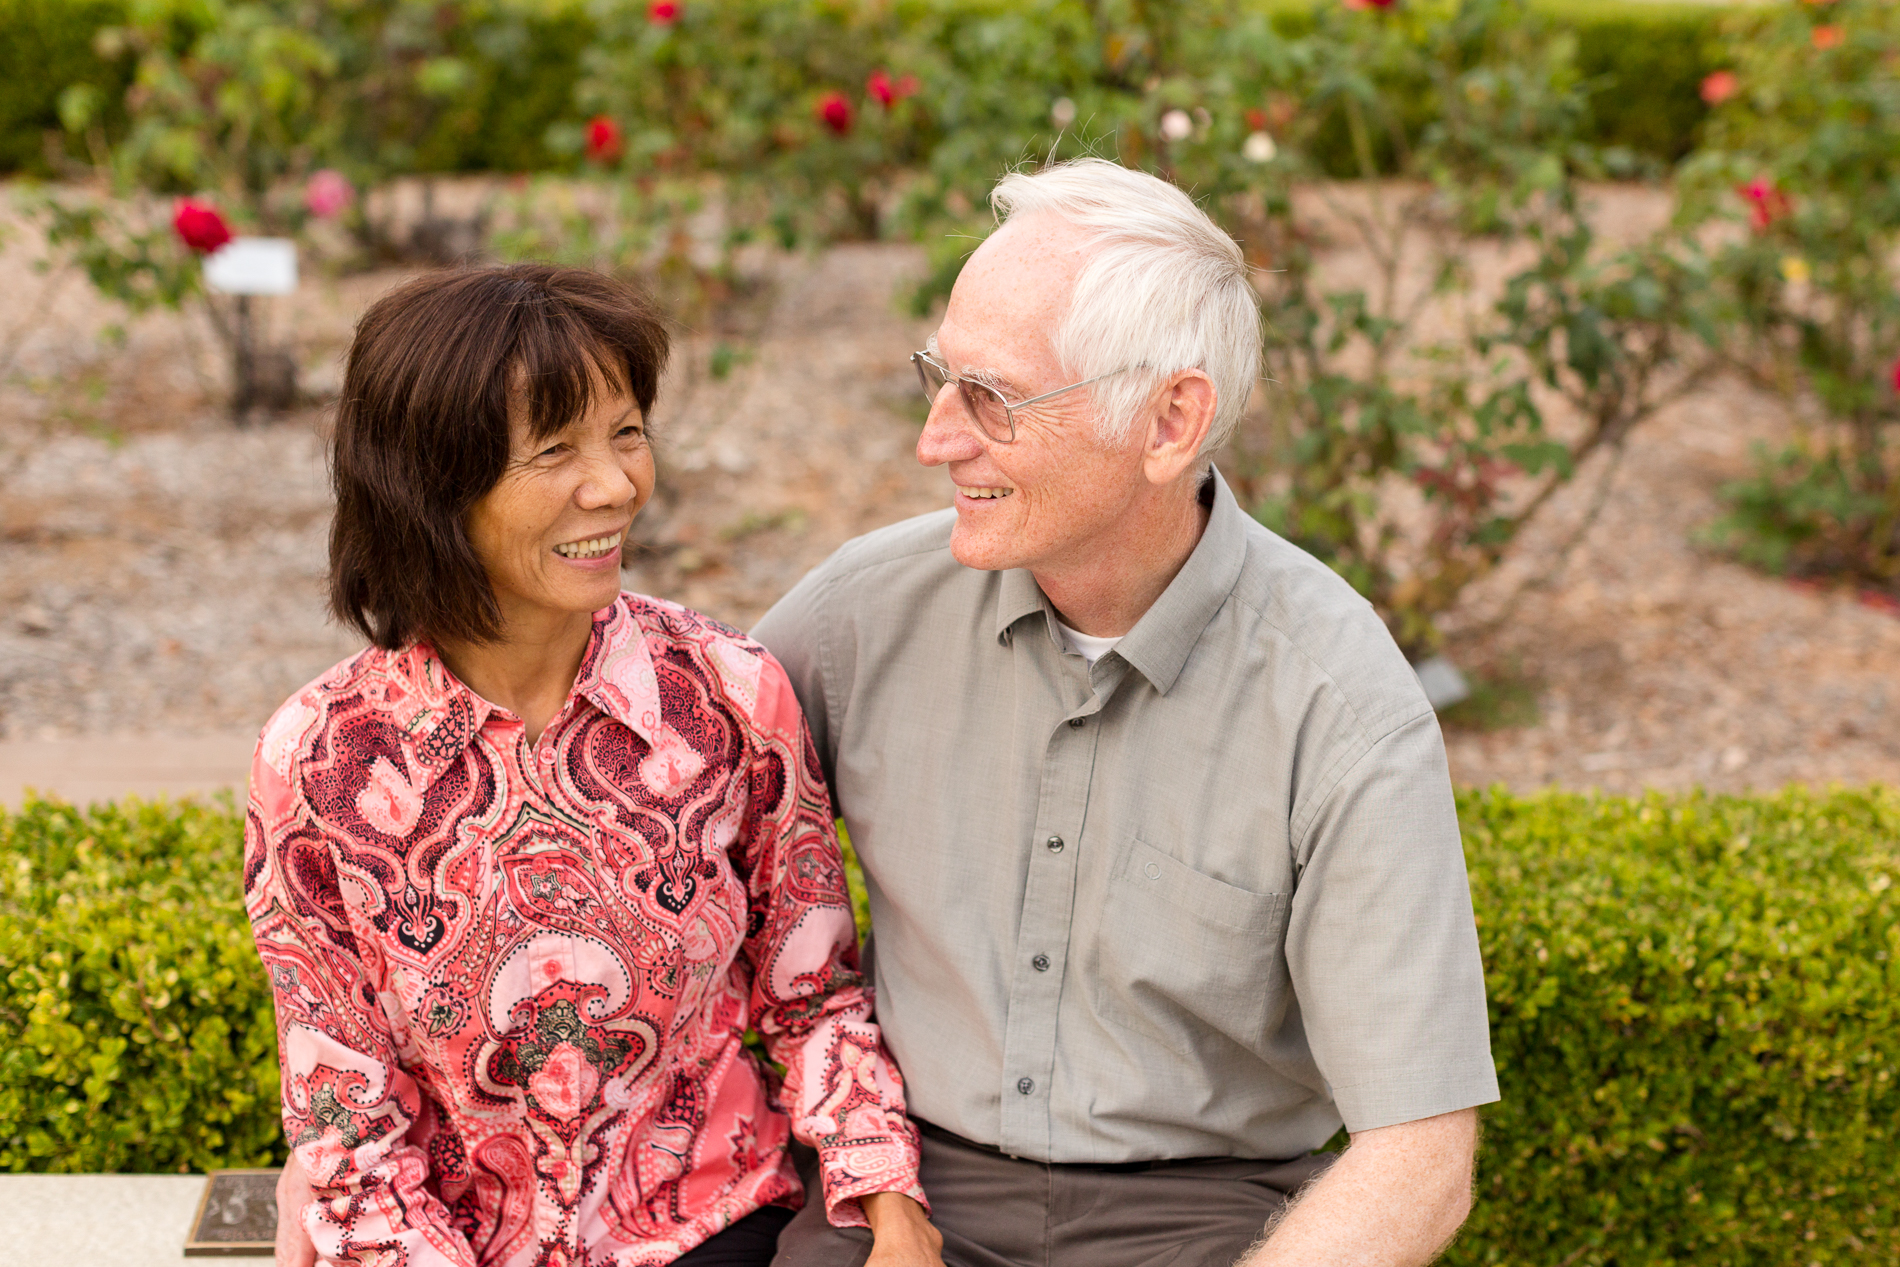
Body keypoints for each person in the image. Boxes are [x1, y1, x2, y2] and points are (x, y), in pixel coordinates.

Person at [750, 159, 1500, 1267]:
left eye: (991, 398)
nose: (936, 438)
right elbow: (644, 828)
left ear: (1169, 422)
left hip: (1206, 1224)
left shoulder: (1338, 698)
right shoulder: (859, 615)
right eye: (937, 378)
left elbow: (1421, 1153)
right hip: (897, 1196)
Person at [245, 264, 937, 1267]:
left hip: (708, 1228)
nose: (615, 485)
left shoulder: (732, 698)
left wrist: (890, 1205)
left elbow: (813, 1000)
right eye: (556, 449)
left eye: (626, 433)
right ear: (431, 484)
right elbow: (350, 1122)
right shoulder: (317, 761)